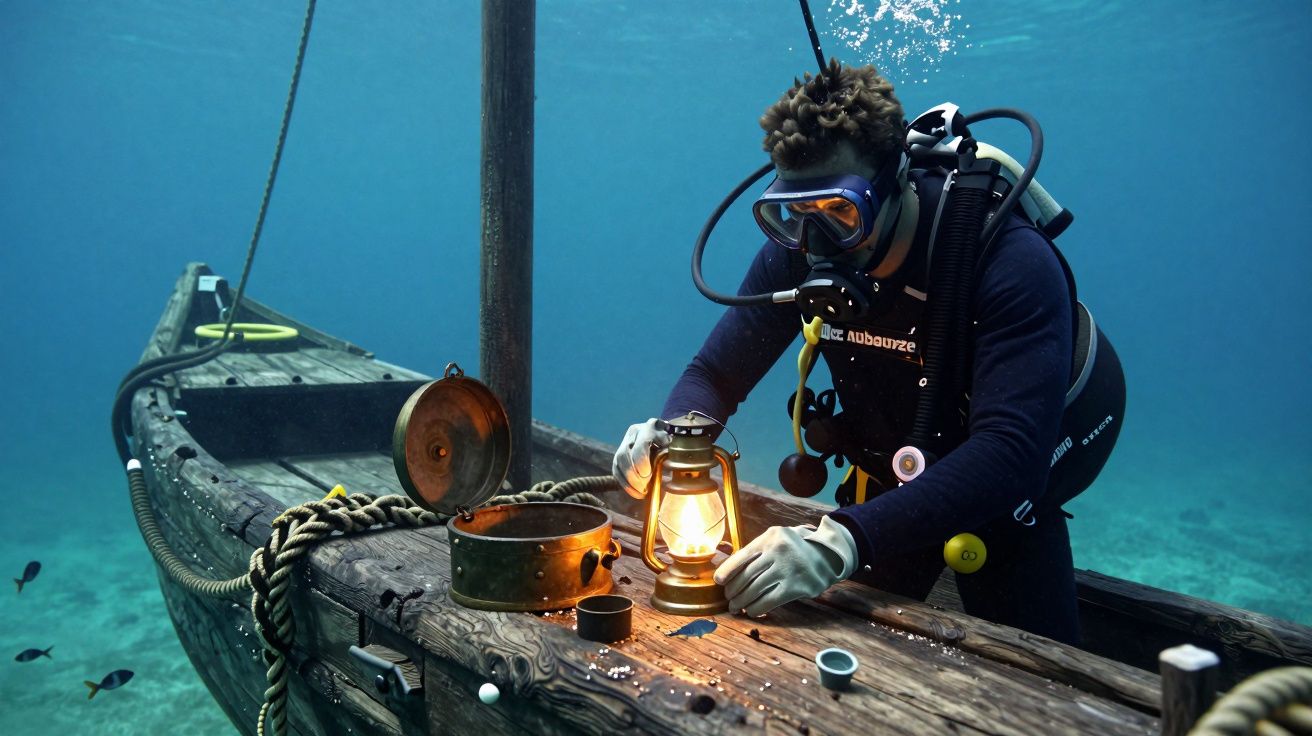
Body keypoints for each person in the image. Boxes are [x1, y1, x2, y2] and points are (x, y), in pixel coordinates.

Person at [613, 61, 1123, 646]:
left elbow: (1011, 454)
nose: (815, 243)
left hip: (1008, 485)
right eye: (791, 214)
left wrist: (842, 541)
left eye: (840, 212)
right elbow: (715, 373)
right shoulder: (799, 250)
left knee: (1047, 684)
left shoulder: (1006, 260)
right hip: (892, 477)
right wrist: (675, 431)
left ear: (895, 180)